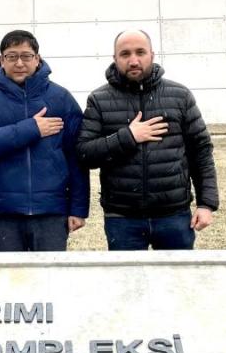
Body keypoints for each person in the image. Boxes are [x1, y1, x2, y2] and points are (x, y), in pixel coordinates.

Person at [76, 29, 218, 250]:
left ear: (152, 54)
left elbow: (201, 151)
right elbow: (85, 153)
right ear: (115, 59)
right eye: (125, 54)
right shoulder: (99, 99)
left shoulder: (180, 96)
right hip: (122, 218)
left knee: (176, 281)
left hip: (174, 215)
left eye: (140, 52)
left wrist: (206, 204)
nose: (133, 60)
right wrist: (129, 136)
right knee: (129, 283)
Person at [0, 29, 89, 251]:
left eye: (26, 56)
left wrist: (78, 208)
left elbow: (76, 156)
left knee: (50, 282)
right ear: (2, 60)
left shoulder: (60, 98)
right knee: (7, 283)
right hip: (4, 215)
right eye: (12, 56)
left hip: (51, 213)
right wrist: (31, 128)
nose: (19, 63)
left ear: (37, 59)